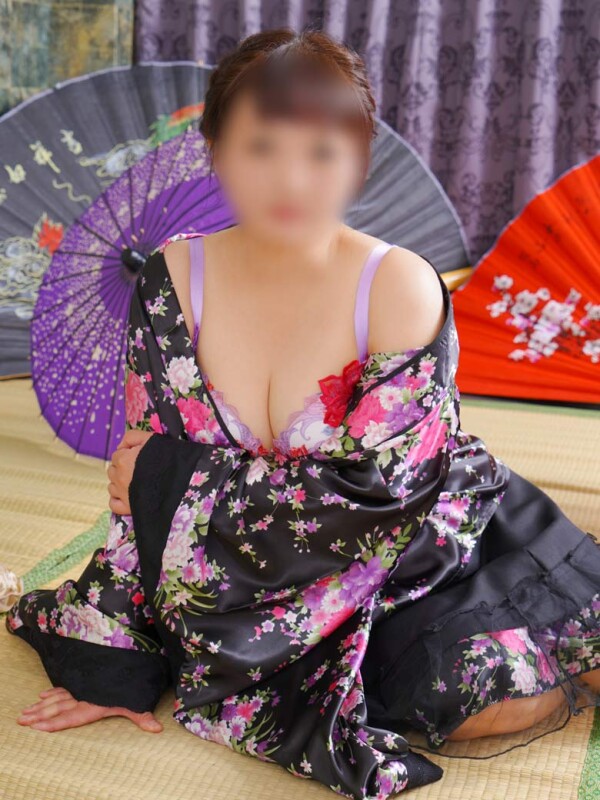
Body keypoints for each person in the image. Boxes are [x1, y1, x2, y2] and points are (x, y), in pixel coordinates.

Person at [5, 28, 600, 799]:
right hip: (242, 586)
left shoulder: (398, 285)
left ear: (357, 161)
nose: (291, 179)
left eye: (321, 152)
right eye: (261, 148)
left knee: (489, 689)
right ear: (215, 150)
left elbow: (380, 495)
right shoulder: (172, 278)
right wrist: (111, 661)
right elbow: (137, 488)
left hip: (412, 553)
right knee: (451, 696)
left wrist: (166, 477)